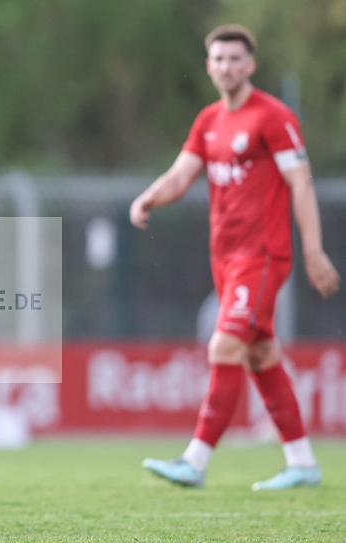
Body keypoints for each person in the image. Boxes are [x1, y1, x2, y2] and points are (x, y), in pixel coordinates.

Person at [130, 25, 340, 490]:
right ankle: (302, 462)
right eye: (218, 59)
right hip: (224, 257)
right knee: (262, 353)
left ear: (251, 65)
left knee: (224, 346)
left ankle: (195, 461)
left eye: (235, 59)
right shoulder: (208, 120)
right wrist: (148, 197)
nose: (226, 66)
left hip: (262, 255)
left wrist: (312, 249)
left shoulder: (272, 116)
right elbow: (182, 175)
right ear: (209, 66)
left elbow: (300, 182)